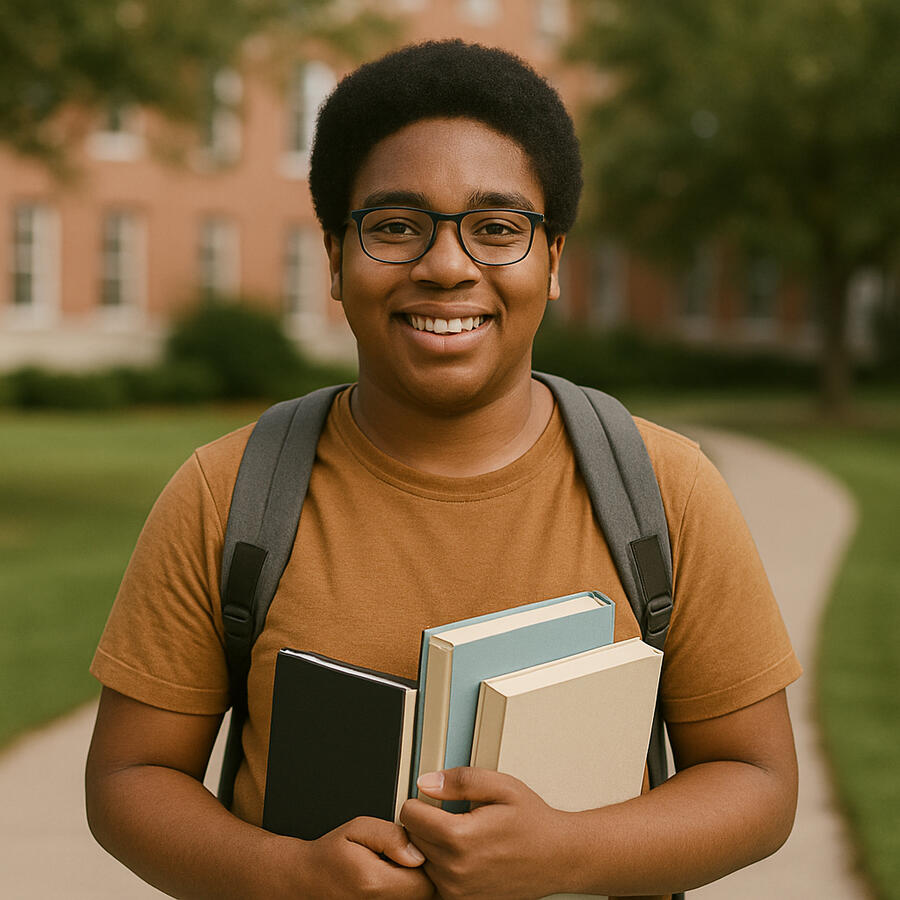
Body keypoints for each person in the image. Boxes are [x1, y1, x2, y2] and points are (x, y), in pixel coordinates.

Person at [85, 39, 801, 900]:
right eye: (395, 226)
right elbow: (129, 780)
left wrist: (568, 853)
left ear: (554, 261)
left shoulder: (666, 490)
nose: (447, 265)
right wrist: (290, 876)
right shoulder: (226, 494)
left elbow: (758, 783)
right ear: (336, 261)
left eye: (497, 229)